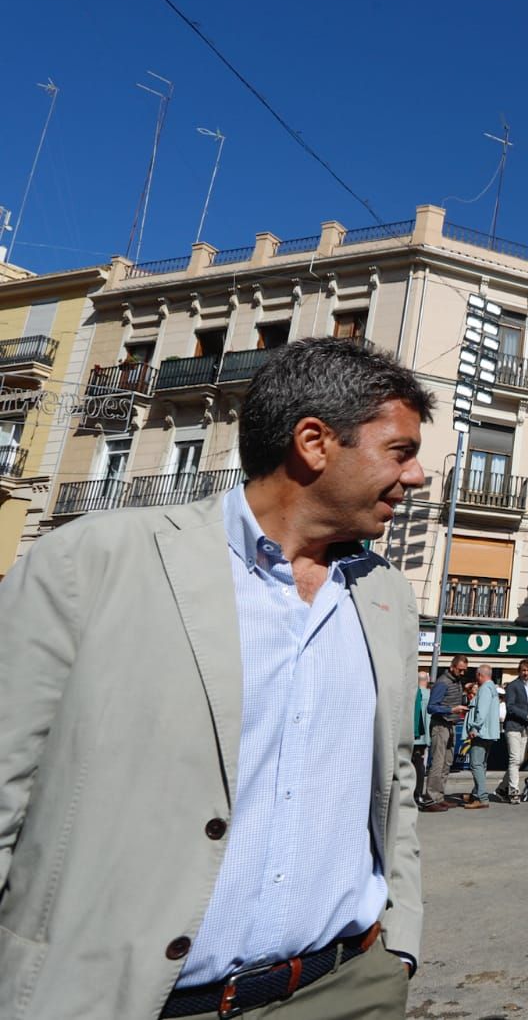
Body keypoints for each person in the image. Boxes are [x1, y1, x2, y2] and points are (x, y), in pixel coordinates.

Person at [0, 337, 432, 1018]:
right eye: (401, 451)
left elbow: (393, 780)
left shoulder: (385, 595)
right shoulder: (94, 563)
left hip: (346, 986)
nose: (418, 476)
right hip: (131, 1000)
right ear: (314, 442)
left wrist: (399, 938)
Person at [423, 654, 470, 809]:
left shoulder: (455, 682)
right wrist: (452, 709)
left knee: (446, 762)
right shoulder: (443, 682)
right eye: (460, 670)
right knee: (437, 762)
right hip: (440, 725)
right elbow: (431, 707)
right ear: (452, 667)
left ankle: (439, 795)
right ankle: (430, 798)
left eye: (464, 670)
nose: (462, 673)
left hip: (450, 725)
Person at [463, 665, 502, 810]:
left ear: (479, 675)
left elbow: (482, 711)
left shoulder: (485, 689)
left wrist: (474, 727)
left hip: (481, 732)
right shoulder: (492, 688)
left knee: (476, 764)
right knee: (482, 764)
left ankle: (482, 797)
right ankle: (476, 793)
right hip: (488, 732)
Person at [501, 658, 528, 804]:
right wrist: (527, 715)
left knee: (520, 760)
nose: (525, 673)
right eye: (523, 670)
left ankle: (501, 788)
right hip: (513, 726)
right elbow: (510, 706)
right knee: (514, 759)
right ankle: (513, 791)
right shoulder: (513, 686)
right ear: (519, 670)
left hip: (525, 727)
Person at [413, 671, 431, 806]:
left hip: (411, 735)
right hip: (423, 737)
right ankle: (418, 793)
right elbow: (429, 718)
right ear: (428, 679)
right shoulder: (429, 696)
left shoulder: (412, 694)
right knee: (420, 766)